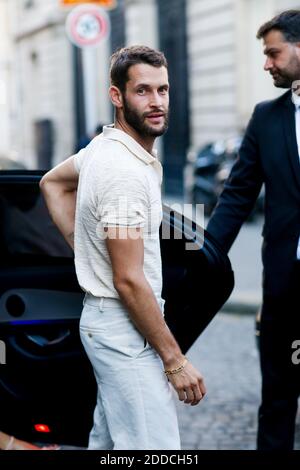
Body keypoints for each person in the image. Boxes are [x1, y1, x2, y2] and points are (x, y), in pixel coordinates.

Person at [40, 45, 206, 450]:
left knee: (111, 445)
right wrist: (175, 361)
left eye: (163, 90)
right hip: (123, 331)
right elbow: (129, 280)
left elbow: (52, 183)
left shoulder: (104, 147)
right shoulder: (123, 173)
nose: (156, 102)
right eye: (142, 91)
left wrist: (88, 249)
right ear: (117, 96)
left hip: (108, 326)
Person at [206, 10, 300, 450]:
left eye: (273, 53)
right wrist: (200, 256)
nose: (267, 64)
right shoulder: (267, 117)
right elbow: (237, 196)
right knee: (277, 400)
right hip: (284, 287)